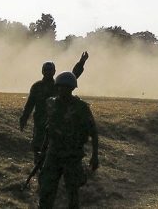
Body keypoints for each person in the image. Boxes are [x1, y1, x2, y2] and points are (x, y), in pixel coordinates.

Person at [37, 72, 99, 209]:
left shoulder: (81, 107)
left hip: (72, 155)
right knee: (46, 188)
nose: (62, 90)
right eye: (60, 87)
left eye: (66, 87)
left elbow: (93, 132)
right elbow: (49, 129)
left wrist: (95, 156)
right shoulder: (51, 104)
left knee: (72, 190)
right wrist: (43, 151)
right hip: (53, 153)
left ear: (71, 88)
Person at [19, 52, 89, 157]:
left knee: (54, 148)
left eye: (50, 70)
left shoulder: (59, 85)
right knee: (38, 148)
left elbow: (73, 76)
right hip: (40, 124)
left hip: (56, 123)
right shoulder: (37, 86)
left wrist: (81, 62)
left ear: (54, 71)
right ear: (42, 71)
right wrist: (24, 118)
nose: (48, 72)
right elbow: (30, 104)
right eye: (46, 70)